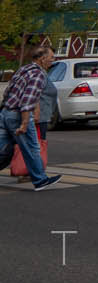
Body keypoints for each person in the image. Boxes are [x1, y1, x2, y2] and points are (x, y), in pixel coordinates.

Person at [0, 43, 62, 190]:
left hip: (5, 112)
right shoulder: (39, 75)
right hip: (18, 116)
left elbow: (8, 91)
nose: (53, 60)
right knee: (32, 148)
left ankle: (40, 179)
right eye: (51, 58)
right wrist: (25, 123)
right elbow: (27, 101)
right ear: (42, 58)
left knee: (1, 148)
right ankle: (40, 180)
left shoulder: (24, 69)